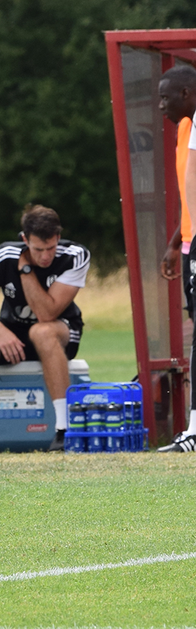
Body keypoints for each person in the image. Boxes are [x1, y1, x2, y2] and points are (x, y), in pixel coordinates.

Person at [0, 205, 89, 452]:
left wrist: (26, 269)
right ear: (24, 240)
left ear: (58, 238)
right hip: (12, 334)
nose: (45, 256)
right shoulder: (5, 256)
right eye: (38, 249)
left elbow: (46, 314)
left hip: (58, 332)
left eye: (51, 248)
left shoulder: (75, 255)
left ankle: (64, 432)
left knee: (41, 332)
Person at [161, 64, 196, 452]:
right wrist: (176, 242)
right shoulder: (185, 129)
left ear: (186, 94)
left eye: (165, 97)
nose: (159, 106)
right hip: (190, 244)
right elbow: (191, 194)